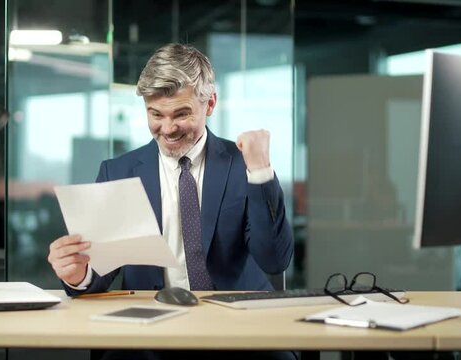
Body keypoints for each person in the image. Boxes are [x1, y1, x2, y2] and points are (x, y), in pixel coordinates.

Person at [48, 43, 295, 359]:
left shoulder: (242, 164)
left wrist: (260, 170)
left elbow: (275, 260)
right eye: (156, 114)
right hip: (151, 329)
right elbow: (100, 275)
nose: (167, 129)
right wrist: (77, 275)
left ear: (210, 104)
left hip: (239, 326)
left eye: (181, 113)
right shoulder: (119, 171)